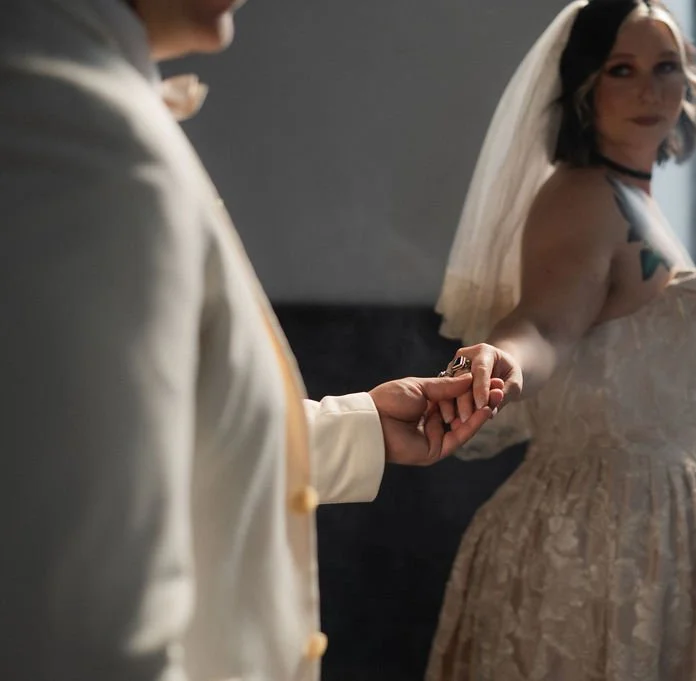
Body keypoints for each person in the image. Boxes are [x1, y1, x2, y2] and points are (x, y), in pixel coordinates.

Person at [0, 1, 501, 679]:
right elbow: (81, 636)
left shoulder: (80, 97)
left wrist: (365, 428)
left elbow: (157, 436)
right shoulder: (72, 134)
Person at [426, 1, 696, 678]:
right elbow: (547, 324)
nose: (648, 90)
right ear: (584, 89)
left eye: (666, 68)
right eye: (622, 70)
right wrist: (502, 358)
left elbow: (639, 384)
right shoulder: (581, 199)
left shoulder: (632, 196)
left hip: (664, 524)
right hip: (610, 540)